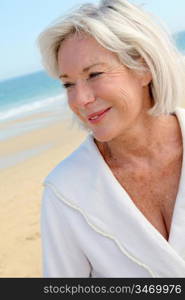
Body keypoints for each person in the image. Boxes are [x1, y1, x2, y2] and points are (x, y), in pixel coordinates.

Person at [38, 0, 185, 277]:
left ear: (144, 67)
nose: (80, 99)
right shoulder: (64, 192)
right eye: (68, 84)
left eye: (94, 74)